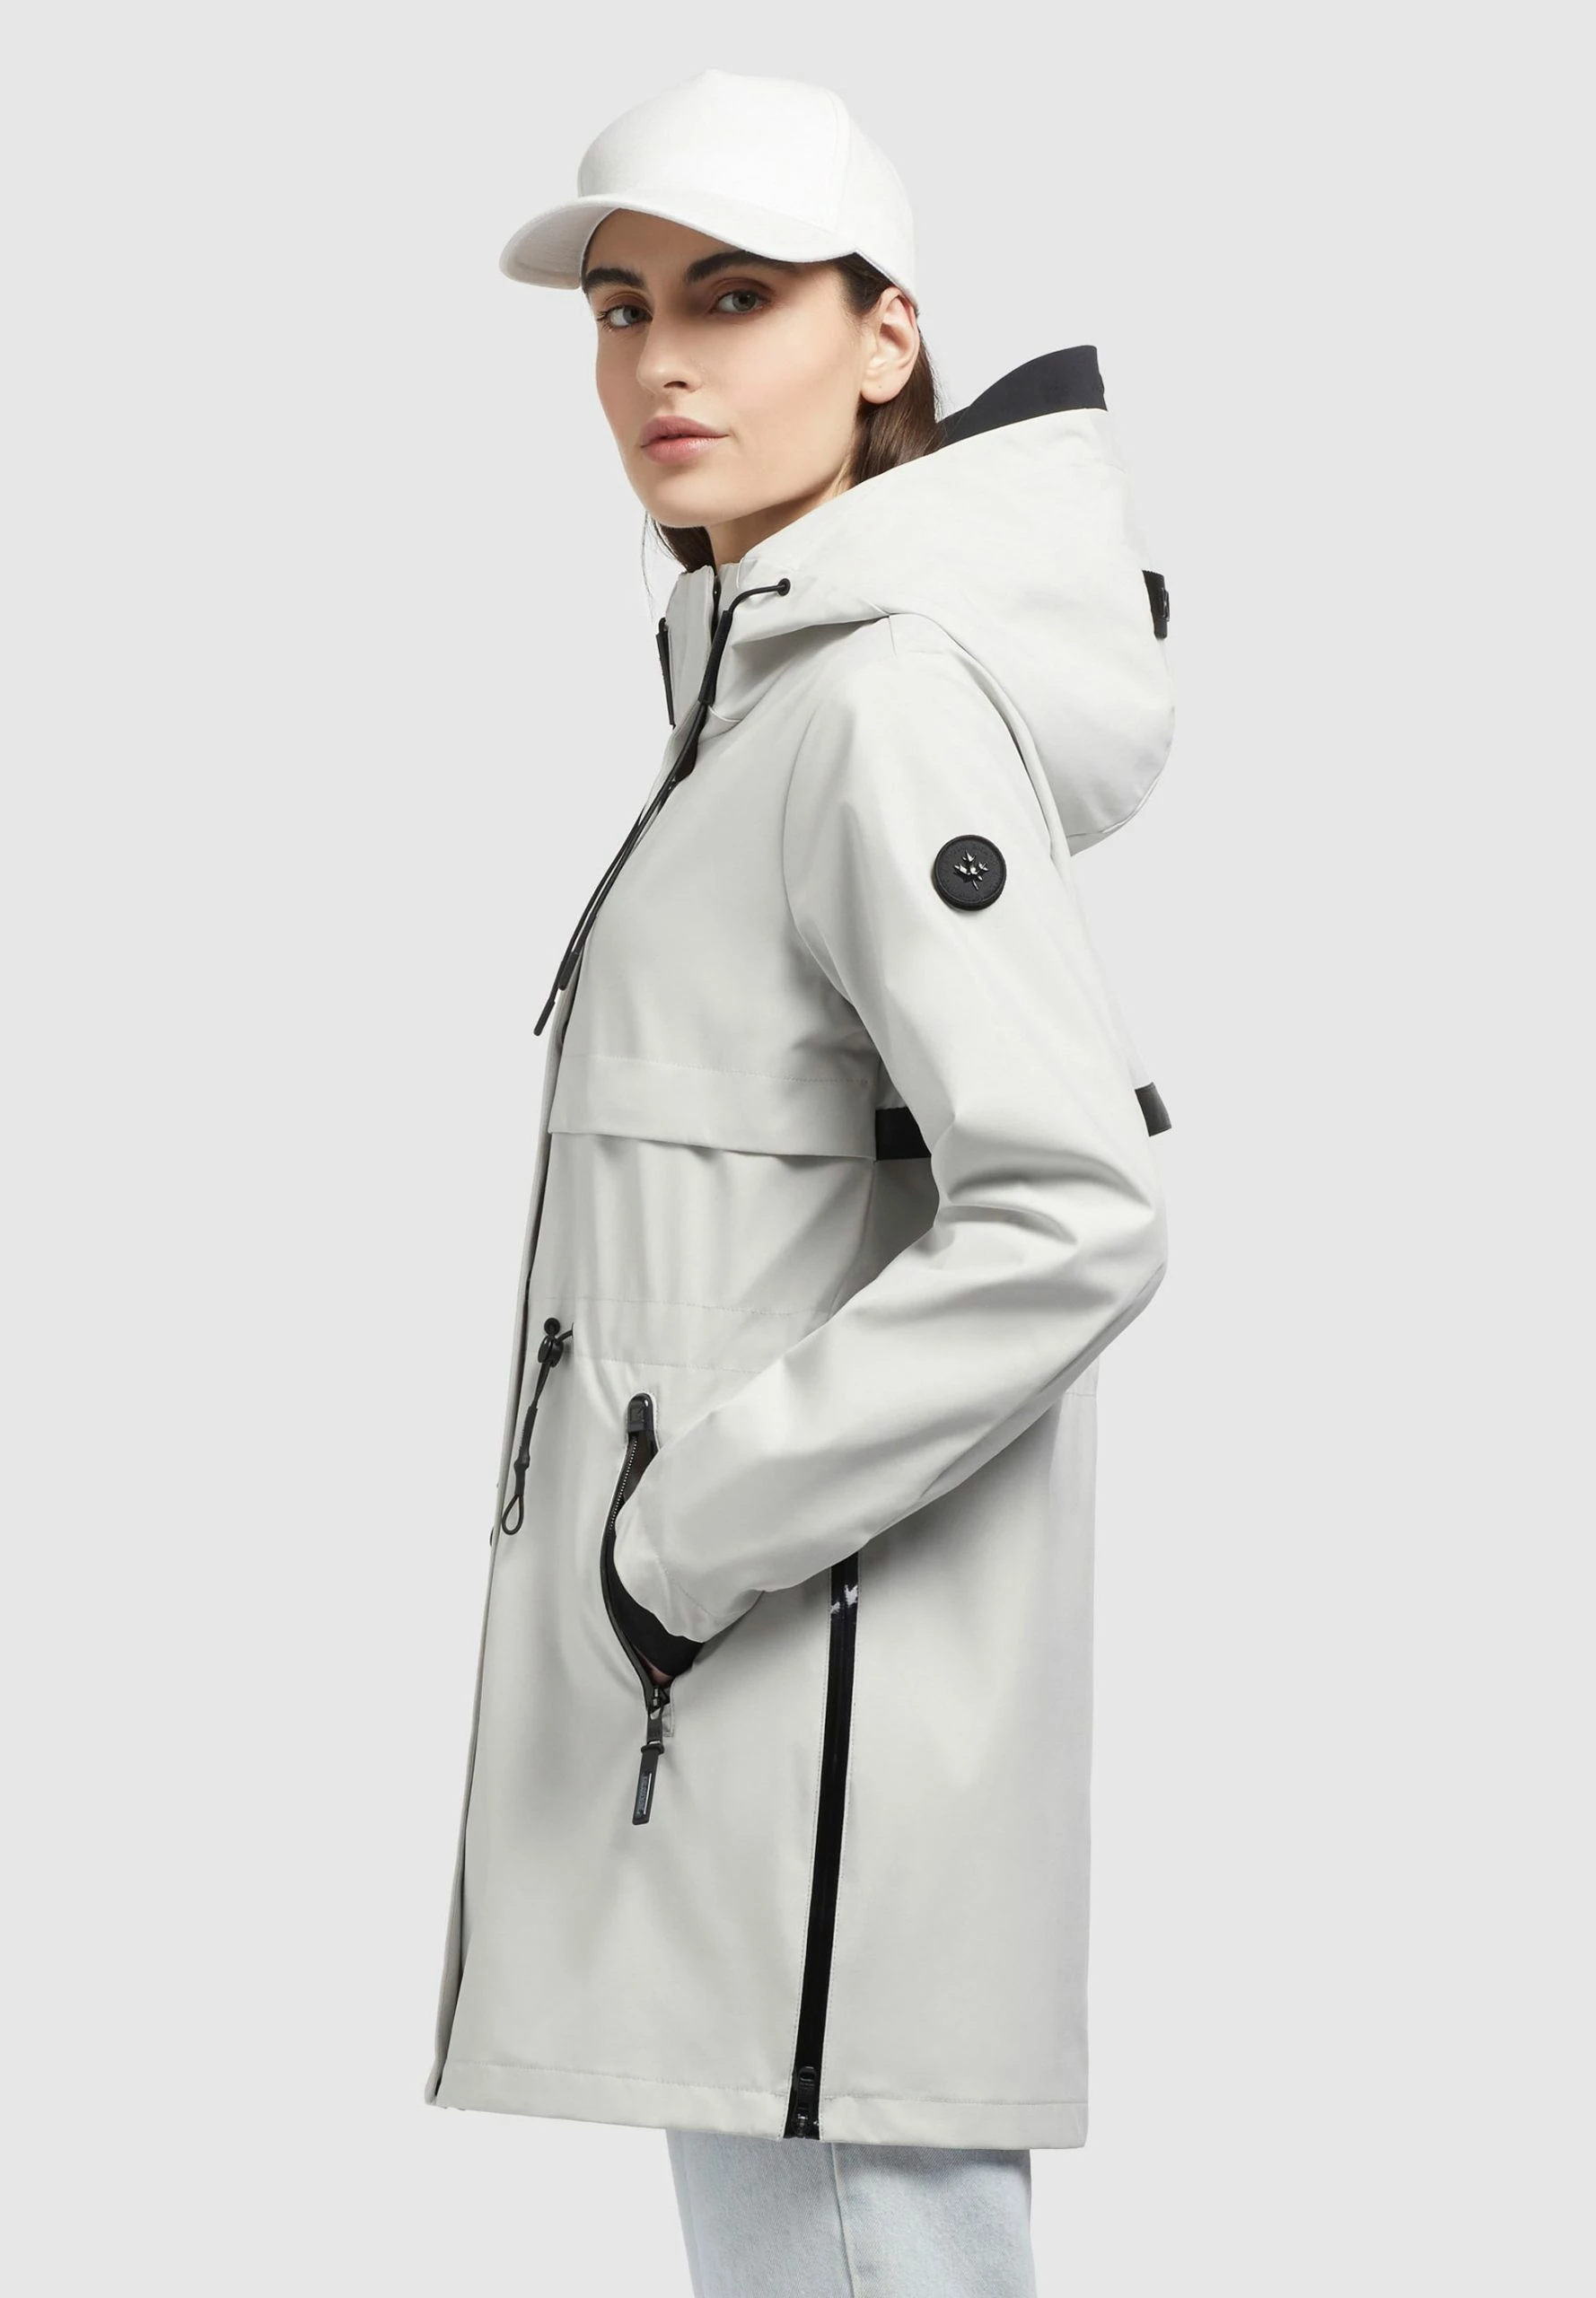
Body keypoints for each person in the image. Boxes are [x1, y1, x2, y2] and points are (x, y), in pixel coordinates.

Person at [424, 66, 1176, 2297]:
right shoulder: (751, 708)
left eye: (734, 297)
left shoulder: (876, 712)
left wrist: (676, 1540)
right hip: (733, 1741)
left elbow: (1072, 1211)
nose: (659, 359)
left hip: (812, 1746)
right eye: (623, 306)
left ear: (884, 337)